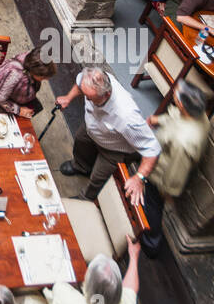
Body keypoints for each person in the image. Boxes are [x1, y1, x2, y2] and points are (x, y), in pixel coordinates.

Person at [57, 65, 160, 203]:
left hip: (114, 149)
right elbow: (79, 84)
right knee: (81, 142)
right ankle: (80, 166)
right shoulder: (93, 78)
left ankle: (86, 198)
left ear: (106, 94)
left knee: (98, 178)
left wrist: (139, 177)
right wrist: (68, 98)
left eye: (89, 98)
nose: (86, 99)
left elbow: (152, 149)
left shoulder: (127, 117)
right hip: (93, 128)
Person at [141, 80, 210, 256]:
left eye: (176, 96)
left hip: (160, 175)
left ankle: (151, 242)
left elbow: (175, 172)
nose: (173, 96)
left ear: (183, 105)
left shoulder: (184, 142)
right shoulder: (198, 114)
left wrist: (166, 190)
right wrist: (158, 120)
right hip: (161, 153)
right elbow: (176, 117)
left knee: (153, 207)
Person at [0, 46, 57, 117]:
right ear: (34, 72)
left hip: (10, 95)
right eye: (43, 77)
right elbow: (0, 99)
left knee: (36, 109)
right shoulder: (15, 75)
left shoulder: (31, 58)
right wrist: (19, 110)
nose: (46, 79)